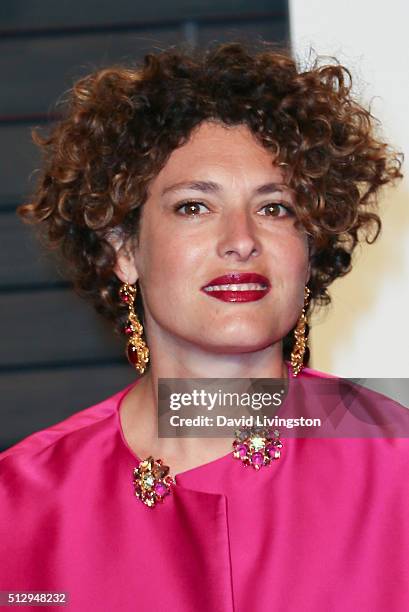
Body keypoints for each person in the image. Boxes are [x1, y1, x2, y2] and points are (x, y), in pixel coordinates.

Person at [0, 41, 407, 611]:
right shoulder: (19, 506)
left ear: (310, 249)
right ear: (124, 250)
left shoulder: (396, 466)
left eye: (276, 208)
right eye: (194, 206)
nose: (241, 240)